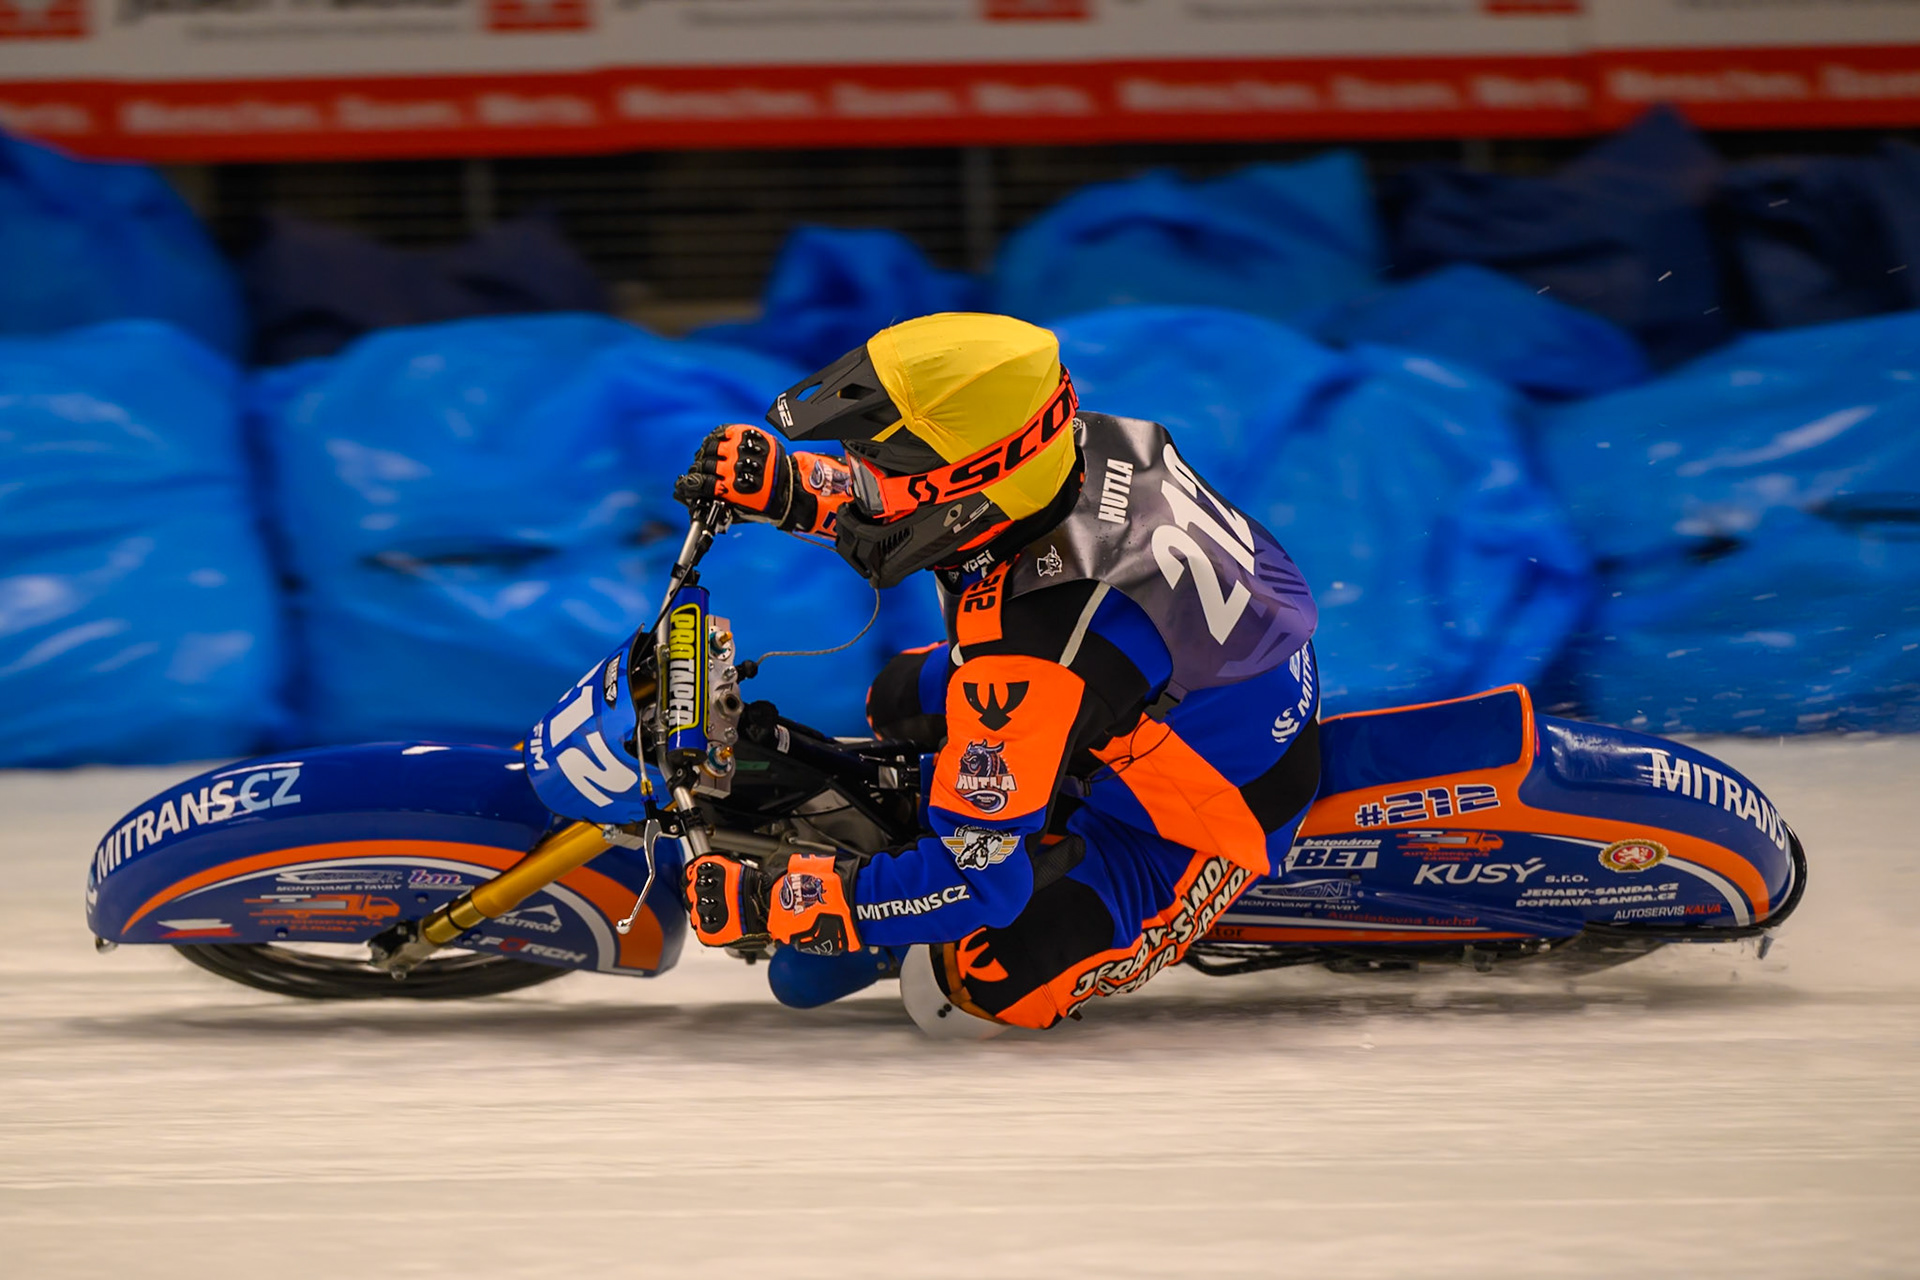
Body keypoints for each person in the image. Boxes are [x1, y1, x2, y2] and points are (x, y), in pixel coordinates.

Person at [673, 313, 1320, 1036]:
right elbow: (929, 505)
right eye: (858, 463)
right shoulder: (1079, 443)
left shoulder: (1038, 649)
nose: (858, 484)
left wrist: (793, 901)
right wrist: (796, 485)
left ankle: (976, 873)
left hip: (1200, 814)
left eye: (874, 474)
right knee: (895, 698)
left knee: (974, 986)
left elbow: (978, 881)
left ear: (976, 486)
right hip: (1162, 695)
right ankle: (976, 822)